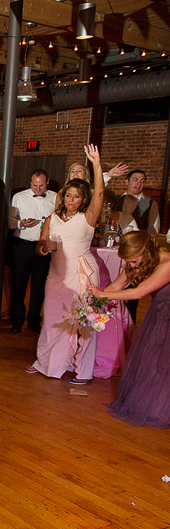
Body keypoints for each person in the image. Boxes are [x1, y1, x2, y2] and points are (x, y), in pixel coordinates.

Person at [27, 145, 105, 384]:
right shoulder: (52, 218)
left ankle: (82, 370)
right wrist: (43, 248)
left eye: (76, 196)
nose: (71, 200)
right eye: (68, 195)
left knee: (85, 321)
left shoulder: (88, 217)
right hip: (57, 273)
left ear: (84, 199)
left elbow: (100, 194)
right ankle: (47, 362)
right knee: (52, 319)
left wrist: (96, 165)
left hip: (81, 273)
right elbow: (41, 246)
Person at [86, 232, 170, 427]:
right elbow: (116, 285)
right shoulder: (140, 261)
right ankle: (150, 405)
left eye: (133, 261)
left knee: (163, 364)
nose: (132, 266)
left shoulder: (167, 265)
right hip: (159, 314)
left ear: (147, 252)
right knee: (152, 362)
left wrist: (102, 295)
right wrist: (96, 299)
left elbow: (139, 292)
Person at [9, 169, 58, 334]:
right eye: (35, 185)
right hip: (23, 244)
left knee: (39, 285)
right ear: (30, 183)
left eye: (41, 186)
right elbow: (10, 221)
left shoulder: (56, 197)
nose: (38, 189)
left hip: (44, 245)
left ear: (47, 182)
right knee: (18, 285)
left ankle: (34, 321)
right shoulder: (19, 197)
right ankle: (16, 321)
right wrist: (21, 223)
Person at [115, 169, 160, 236]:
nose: (139, 183)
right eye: (135, 180)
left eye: (142, 181)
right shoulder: (116, 199)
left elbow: (153, 230)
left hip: (137, 243)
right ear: (127, 182)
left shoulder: (150, 203)